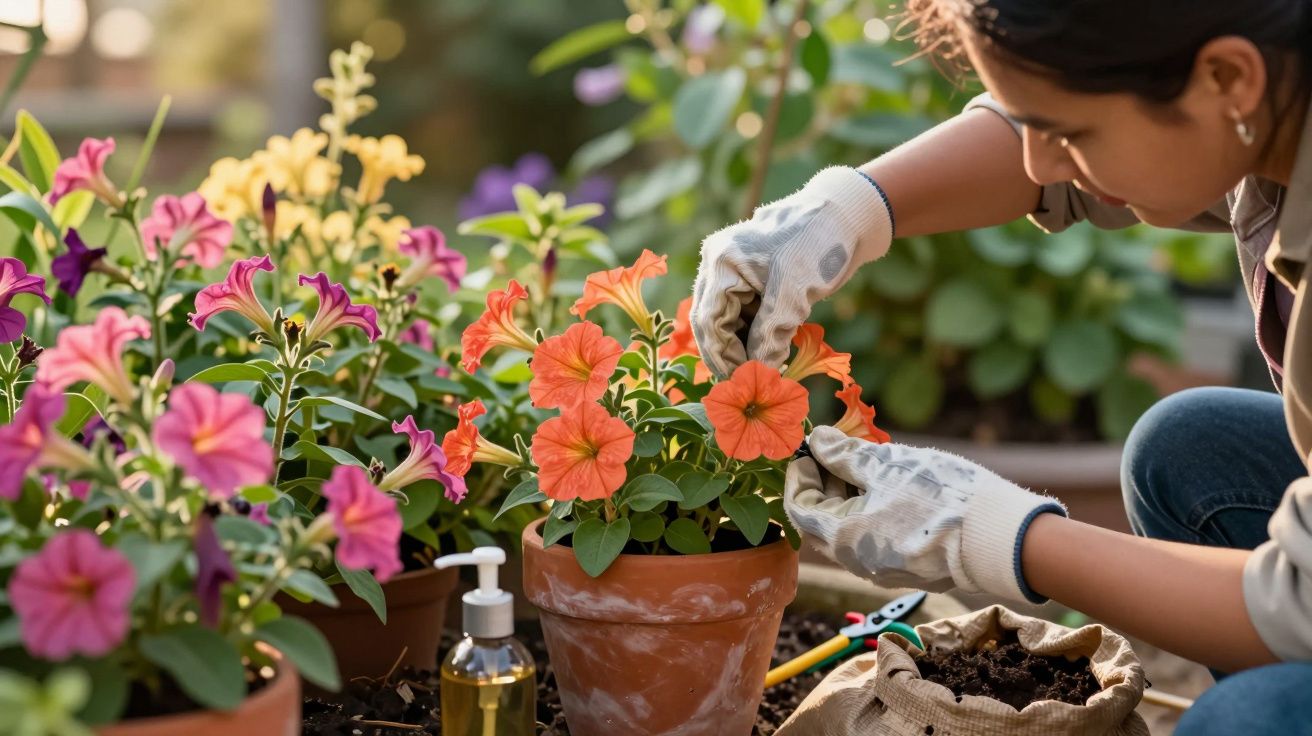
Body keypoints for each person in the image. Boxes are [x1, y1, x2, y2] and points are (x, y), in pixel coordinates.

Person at [691, 2, 1312, 733]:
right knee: (1190, 450)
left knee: (1247, 720)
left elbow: (1298, 607)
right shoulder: (1273, 95)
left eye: (1070, 134)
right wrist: (848, 210)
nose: (1036, 163)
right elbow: (1061, 155)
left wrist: (985, 530)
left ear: (1228, 78)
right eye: (1038, 124)